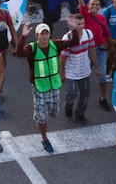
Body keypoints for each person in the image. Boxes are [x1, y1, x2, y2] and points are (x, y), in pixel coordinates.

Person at [14, 22, 80, 154]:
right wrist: (23, 36)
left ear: (50, 34)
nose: (44, 36)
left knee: (54, 111)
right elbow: (18, 52)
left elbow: (73, 41)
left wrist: (74, 29)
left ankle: (44, 115)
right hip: (39, 87)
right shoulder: (32, 48)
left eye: (46, 33)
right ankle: (44, 139)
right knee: (42, 117)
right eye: (41, 34)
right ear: (37, 36)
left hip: (54, 85)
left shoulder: (55, 44)